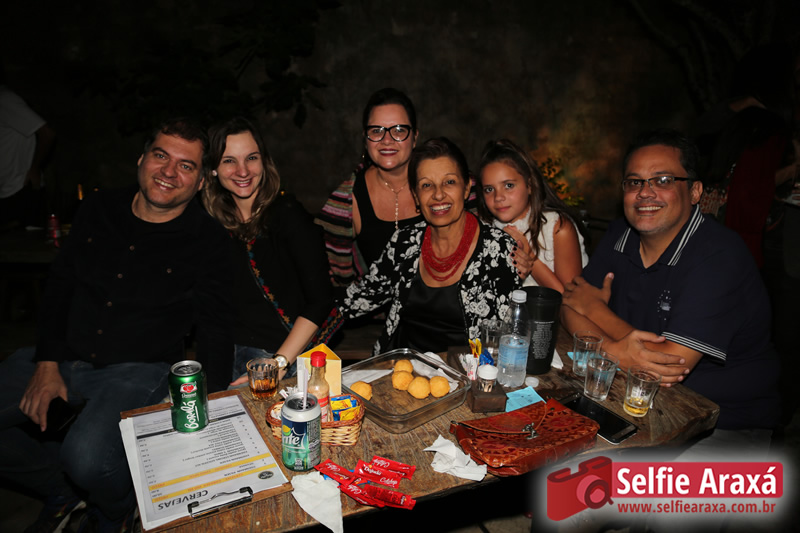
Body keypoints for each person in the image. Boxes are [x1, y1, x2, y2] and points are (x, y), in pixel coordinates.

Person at [0, 118, 234, 532]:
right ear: (142, 159)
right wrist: (47, 364)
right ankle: (59, 489)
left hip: (138, 370)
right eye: (161, 156)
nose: (169, 171)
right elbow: (60, 286)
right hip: (64, 355)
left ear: (200, 182)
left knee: (87, 460)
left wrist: (207, 406)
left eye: (186, 165)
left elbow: (216, 329)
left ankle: (118, 509)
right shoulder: (98, 208)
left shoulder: (208, 239)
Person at [562, 129, 780, 451]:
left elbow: (667, 365)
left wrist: (596, 313)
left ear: (695, 191)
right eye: (634, 182)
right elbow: (569, 304)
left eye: (662, 180)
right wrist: (617, 350)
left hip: (722, 422)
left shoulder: (720, 256)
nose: (645, 193)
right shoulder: (620, 233)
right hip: (632, 401)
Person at [338, 137, 521, 355]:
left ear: (466, 188)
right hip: (401, 366)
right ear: (416, 196)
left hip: (465, 370)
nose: (438, 194)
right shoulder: (405, 242)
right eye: (426, 185)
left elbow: (506, 337)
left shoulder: (498, 249)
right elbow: (358, 298)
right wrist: (311, 312)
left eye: (449, 182)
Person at [201, 117, 339, 381]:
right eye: (229, 160)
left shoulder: (287, 215)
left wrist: (277, 365)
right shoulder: (210, 224)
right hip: (227, 354)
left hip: (286, 354)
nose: (243, 171)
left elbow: (320, 300)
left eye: (251, 158)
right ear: (214, 168)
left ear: (264, 161)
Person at [315, 87, 424, 288]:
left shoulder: (446, 183)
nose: (387, 140)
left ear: (415, 137)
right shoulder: (347, 199)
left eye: (399, 130)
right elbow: (322, 268)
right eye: (376, 131)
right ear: (365, 140)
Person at [477, 139, 588, 293]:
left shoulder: (557, 228)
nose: (498, 197)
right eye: (489, 189)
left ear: (529, 185)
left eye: (508, 185)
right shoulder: (484, 227)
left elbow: (569, 299)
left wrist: (529, 256)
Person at [0, 74, 56, 228]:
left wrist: (35, 167)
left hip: (19, 188)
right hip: (6, 189)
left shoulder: (5, 99)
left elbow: (47, 134)